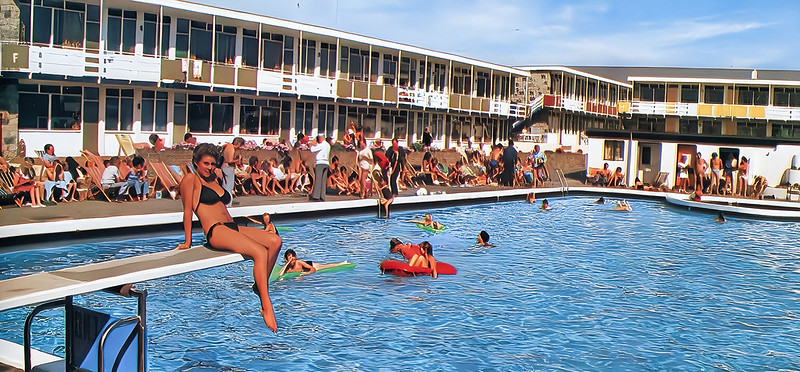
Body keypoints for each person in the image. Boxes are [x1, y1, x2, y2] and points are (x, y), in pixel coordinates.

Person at [176, 143, 282, 332]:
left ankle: (259, 286)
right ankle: (266, 305)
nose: (210, 167)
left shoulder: (214, 178)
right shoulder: (191, 180)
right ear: (196, 162)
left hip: (231, 227)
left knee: (275, 242)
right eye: (206, 163)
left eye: (212, 163)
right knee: (259, 252)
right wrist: (188, 241)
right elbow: (187, 212)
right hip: (216, 230)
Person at [221, 137, 244, 204]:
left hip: (224, 167)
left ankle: (226, 201)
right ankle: (228, 202)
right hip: (228, 168)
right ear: (238, 143)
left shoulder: (227, 146)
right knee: (228, 187)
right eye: (240, 145)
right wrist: (237, 159)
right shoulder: (231, 148)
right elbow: (229, 160)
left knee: (225, 185)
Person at [309, 134, 330, 201]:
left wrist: (310, 145)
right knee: (323, 181)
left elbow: (313, 150)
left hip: (320, 162)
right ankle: (322, 196)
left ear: (322, 138)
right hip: (326, 163)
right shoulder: (327, 145)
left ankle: (316, 196)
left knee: (318, 179)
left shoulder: (322, 144)